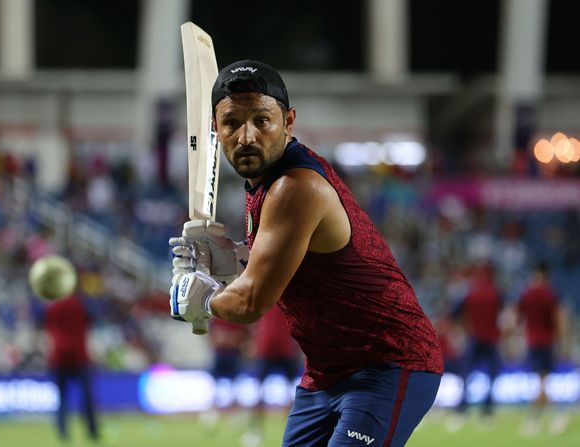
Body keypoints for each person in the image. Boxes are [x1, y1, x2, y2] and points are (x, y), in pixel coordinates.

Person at [170, 60, 443, 447]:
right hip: (325, 374)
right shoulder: (266, 181)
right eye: (231, 123)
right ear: (215, 128)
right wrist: (236, 259)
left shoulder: (293, 187)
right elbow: (301, 265)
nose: (246, 136)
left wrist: (202, 299)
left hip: (390, 363)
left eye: (262, 120)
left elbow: (251, 302)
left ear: (288, 122)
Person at [516, 261, 567, 436]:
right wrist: (562, 341)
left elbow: (517, 317)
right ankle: (554, 416)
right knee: (542, 383)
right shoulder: (551, 294)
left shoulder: (526, 293)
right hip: (547, 342)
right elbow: (559, 319)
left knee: (542, 383)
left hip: (532, 342)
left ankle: (536, 420)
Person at [450, 262, 502, 422]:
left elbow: (454, 314)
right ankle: (488, 407)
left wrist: (463, 327)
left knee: (466, 372)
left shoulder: (471, 293)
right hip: (491, 338)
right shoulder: (496, 293)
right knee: (492, 373)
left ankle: (462, 406)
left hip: (475, 337)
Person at [242, 305, 302, 447]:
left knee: (292, 394)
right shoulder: (265, 298)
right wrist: (252, 341)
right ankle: (255, 431)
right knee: (259, 394)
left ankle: (293, 430)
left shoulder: (287, 299)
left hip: (285, 349)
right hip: (266, 349)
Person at [44, 292, 100, 442]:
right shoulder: (80, 304)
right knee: (87, 397)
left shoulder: (53, 306)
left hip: (59, 357)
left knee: (62, 398)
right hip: (79, 357)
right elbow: (93, 318)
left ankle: (63, 435)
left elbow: (45, 324)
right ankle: (92, 432)